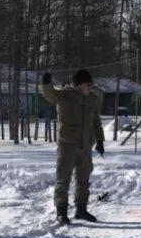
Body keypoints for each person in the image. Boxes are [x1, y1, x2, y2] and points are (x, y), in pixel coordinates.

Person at [40, 69, 105, 225]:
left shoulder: (92, 99)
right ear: (78, 85)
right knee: (63, 179)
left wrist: (100, 141)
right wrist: (45, 83)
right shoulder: (64, 96)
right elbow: (49, 94)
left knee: (84, 179)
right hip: (67, 144)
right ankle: (61, 211)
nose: (91, 87)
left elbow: (96, 121)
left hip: (85, 145)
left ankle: (81, 210)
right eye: (88, 84)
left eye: (91, 84)